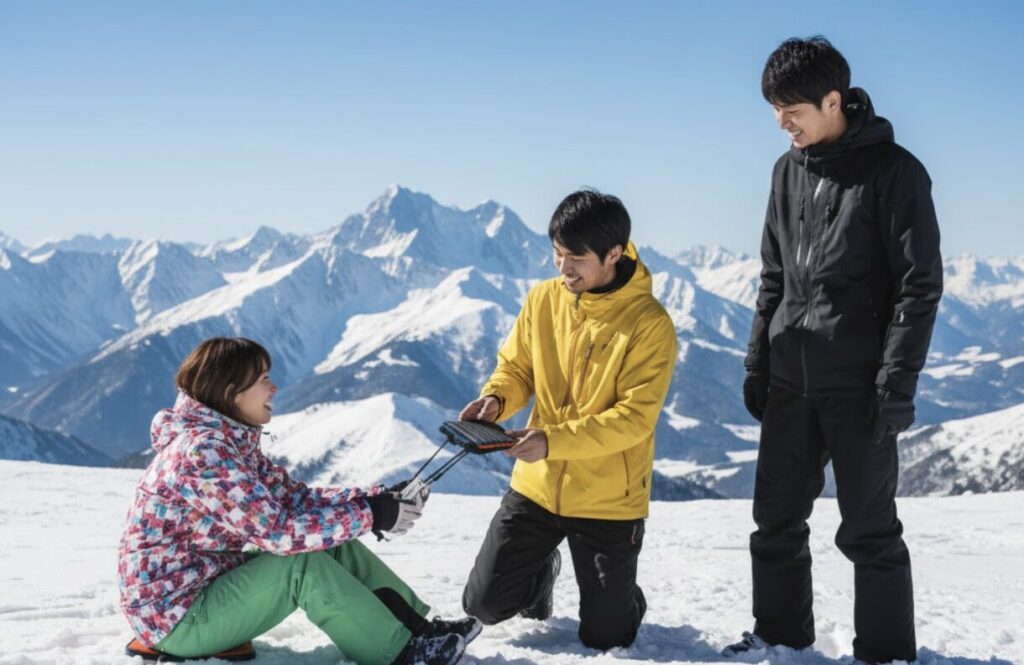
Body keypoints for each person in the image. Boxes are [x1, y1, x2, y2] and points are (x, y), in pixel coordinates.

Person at [725, 37, 942, 664]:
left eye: (791, 110)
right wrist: (758, 360)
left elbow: (918, 285)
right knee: (774, 524)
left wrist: (896, 383)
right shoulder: (786, 171)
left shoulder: (895, 172)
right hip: (791, 382)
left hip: (860, 386)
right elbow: (773, 277)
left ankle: (885, 653)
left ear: (832, 100)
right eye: (774, 110)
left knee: (870, 531)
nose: (781, 123)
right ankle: (780, 640)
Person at [118, 337, 479, 665]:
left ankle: (415, 629)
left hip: (202, 588)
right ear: (231, 393)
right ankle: (400, 655)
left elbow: (296, 500)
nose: (273, 387)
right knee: (300, 564)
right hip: (175, 618)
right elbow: (278, 533)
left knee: (333, 543)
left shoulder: (229, 443)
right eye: (263, 378)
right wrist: (371, 515)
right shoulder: (202, 453)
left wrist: (375, 498)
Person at [460, 190, 678, 650]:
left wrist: (553, 441)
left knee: (606, 636)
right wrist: (496, 400)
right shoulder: (543, 300)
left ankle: (624, 599)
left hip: (608, 500)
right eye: (558, 253)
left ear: (614, 253)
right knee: (483, 605)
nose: (563, 267)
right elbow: (517, 369)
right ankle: (539, 576)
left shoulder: (649, 323)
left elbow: (633, 419)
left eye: (576, 258)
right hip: (538, 486)